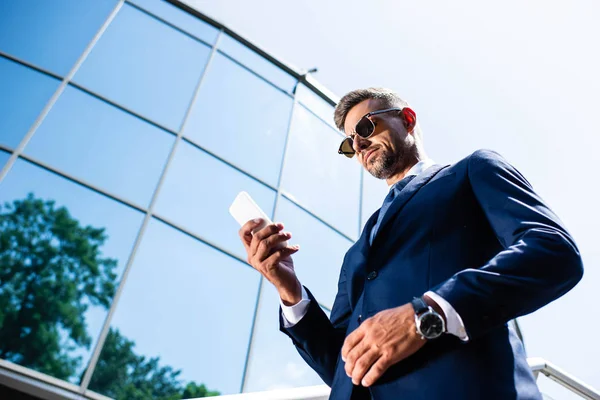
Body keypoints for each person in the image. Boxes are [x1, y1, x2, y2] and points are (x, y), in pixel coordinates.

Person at [238, 88, 583, 400]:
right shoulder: (356, 253)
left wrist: (426, 314)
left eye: (365, 128)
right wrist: (290, 290)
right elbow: (344, 366)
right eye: (348, 143)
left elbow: (553, 251)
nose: (357, 145)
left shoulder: (471, 172)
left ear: (407, 119)